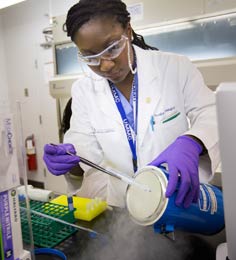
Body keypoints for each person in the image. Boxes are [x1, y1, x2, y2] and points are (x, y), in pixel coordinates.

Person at [43, 0, 220, 208]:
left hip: (177, 200)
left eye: (112, 48)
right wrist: (69, 161)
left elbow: (212, 113)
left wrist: (192, 142)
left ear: (128, 30)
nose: (105, 65)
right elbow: (84, 153)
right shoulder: (84, 90)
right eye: (91, 57)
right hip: (123, 208)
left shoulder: (174, 68)